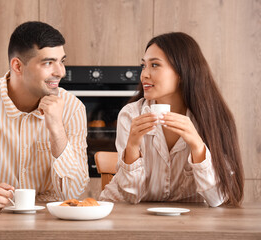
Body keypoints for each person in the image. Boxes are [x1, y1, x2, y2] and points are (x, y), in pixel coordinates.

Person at [0, 21, 89, 212]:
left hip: (51, 221)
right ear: (17, 66)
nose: (61, 72)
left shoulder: (72, 108)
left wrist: (56, 129)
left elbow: (74, 193)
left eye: (61, 61)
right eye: (48, 63)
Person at [99, 32, 244, 207]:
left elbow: (216, 199)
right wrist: (132, 148)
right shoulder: (130, 115)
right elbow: (130, 197)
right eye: (143, 65)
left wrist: (197, 146)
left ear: (183, 72)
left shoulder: (214, 119)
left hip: (189, 223)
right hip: (127, 214)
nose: (144, 74)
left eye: (154, 65)